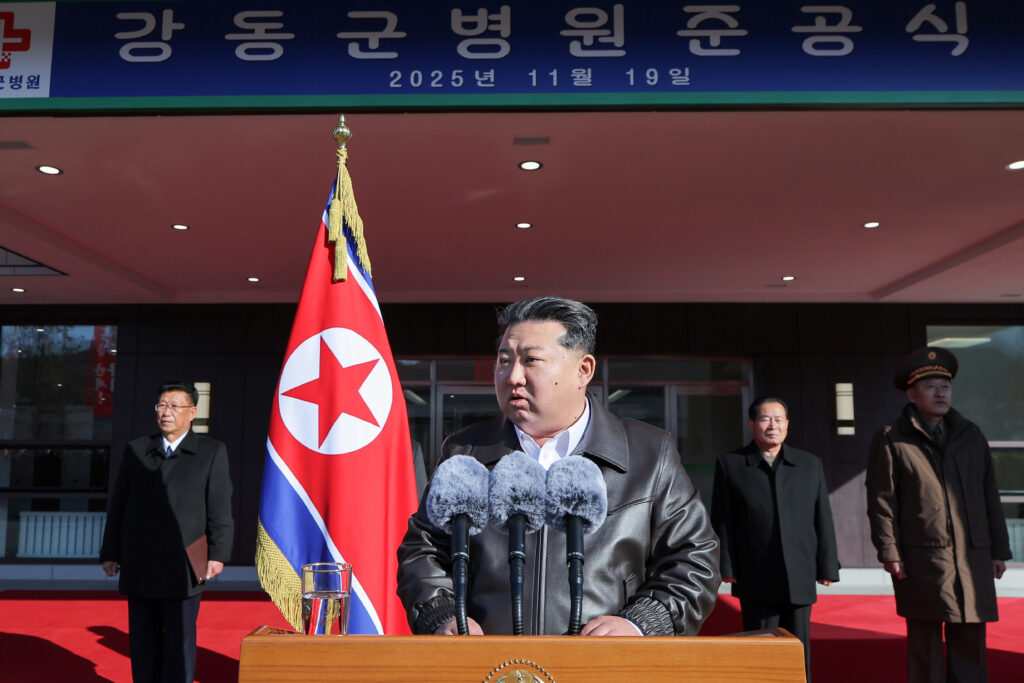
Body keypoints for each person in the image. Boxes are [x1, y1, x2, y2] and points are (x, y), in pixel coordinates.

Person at [397, 296, 720, 636]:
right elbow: (422, 551)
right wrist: (444, 616)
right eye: (504, 361)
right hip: (492, 660)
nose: (513, 376)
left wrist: (640, 623)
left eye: (531, 360)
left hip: (603, 662)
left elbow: (694, 560)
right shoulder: (465, 453)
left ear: (583, 370)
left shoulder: (649, 454)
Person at [866, 347, 1010, 683]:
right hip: (922, 557)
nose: (940, 393)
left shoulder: (971, 435)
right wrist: (889, 551)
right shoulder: (892, 439)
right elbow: (882, 502)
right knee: (925, 643)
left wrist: (999, 550)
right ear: (912, 394)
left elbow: (989, 496)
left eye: (945, 386)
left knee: (970, 642)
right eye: (930, 387)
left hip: (972, 555)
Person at [100, 381, 234, 683]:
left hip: (186, 560)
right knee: (143, 637)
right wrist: (110, 552)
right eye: (161, 405)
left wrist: (218, 554)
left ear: (192, 412)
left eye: (174, 406)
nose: (166, 412)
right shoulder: (137, 450)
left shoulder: (211, 451)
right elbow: (119, 505)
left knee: (180, 637)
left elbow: (219, 507)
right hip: (140, 558)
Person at [710, 397, 839, 679]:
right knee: (760, 645)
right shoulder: (731, 464)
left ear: (787, 425)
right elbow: (722, 520)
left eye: (779, 419)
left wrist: (827, 565)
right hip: (755, 572)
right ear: (751, 424)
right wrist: (725, 566)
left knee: (798, 647)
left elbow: (823, 518)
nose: (773, 425)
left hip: (800, 572)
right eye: (765, 419)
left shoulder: (809, 464)